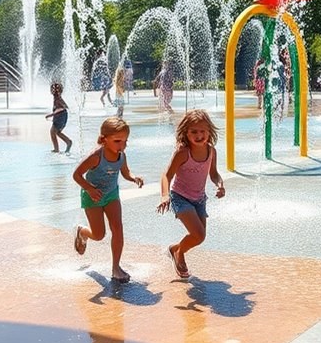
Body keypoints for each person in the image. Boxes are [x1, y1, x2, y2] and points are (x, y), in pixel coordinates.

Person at [72, 117, 144, 283]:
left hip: (111, 195)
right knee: (99, 235)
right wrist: (89, 189)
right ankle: (82, 232)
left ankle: (116, 267)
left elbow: (125, 173)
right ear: (104, 139)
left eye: (125, 141)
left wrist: (134, 178)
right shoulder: (96, 156)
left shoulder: (121, 156)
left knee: (117, 228)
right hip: (92, 198)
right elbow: (76, 175)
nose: (122, 145)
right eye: (117, 141)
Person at [157, 109, 225, 279]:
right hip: (180, 197)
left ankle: (175, 249)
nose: (199, 135)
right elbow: (167, 175)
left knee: (200, 237)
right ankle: (179, 254)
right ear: (186, 133)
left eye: (202, 131)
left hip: (199, 199)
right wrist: (165, 196)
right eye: (194, 131)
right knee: (198, 234)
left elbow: (214, 173)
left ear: (209, 131)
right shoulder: (182, 153)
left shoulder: (211, 151)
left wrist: (220, 184)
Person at [46, 81, 73, 153]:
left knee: (53, 132)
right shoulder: (58, 98)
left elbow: (62, 108)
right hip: (62, 116)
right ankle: (68, 141)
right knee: (57, 132)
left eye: (53, 89)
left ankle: (56, 149)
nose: (52, 90)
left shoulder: (57, 98)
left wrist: (52, 114)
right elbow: (65, 107)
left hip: (60, 116)